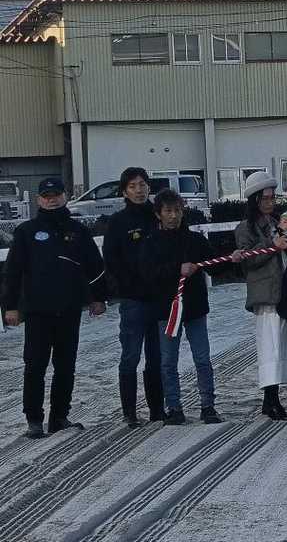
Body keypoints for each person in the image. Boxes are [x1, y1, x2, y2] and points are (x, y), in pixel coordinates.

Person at [2, 178, 107, 438]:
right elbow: (12, 273)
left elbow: (95, 267)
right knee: (35, 366)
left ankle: (59, 417)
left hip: (69, 310)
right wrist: (10, 307)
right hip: (37, 311)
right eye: (46, 195)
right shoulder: (26, 232)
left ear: (64, 196)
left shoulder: (78, 231)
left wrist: (98, 297)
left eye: (56, 194)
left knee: (65, 366)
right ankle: (34, 420)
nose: (51, 199)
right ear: (39, 200)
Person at [139, 189, 233, 426]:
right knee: (168, 360)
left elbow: (214, 267)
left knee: (202, 358)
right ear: (158, 214)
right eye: (168, 211)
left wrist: (232, 257)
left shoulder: (195, 240)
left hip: (195, 308)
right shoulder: (150, 243)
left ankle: (208, 405)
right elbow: (148, 275)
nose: (174, 216)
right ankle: (174, 407)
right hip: (166, 310)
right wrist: (176, 270)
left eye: (177, 210)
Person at [235, 171, 287, 421]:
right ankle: (271, 401)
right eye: (265, 197)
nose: (270, 201)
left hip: (284, 289)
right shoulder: (245, 227)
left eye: (272, 197)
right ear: (255, 199)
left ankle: (273, 400)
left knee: (282, 344)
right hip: (265, 294)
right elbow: (248, 261)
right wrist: (272, 246)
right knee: (269, 347)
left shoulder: (280, 221)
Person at [103, 166, 165, 428]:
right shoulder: (118, 222)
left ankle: (157, 410)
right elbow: (111, 259)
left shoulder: (159, 216)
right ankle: (129, 411)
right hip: (133, 301)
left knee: (157, 356)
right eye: (132, 186)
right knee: (130, 356)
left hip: (160, 299)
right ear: (124, 191)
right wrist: (124, 287)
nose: (139, 190)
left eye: (142, 184)